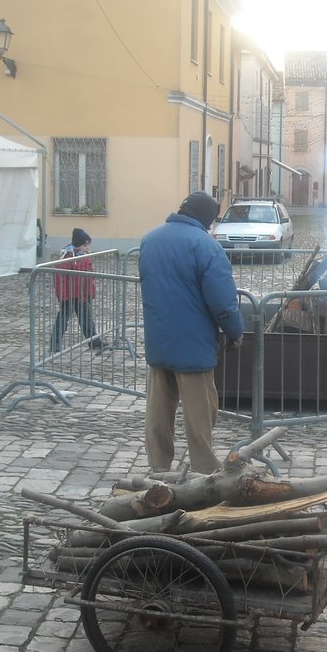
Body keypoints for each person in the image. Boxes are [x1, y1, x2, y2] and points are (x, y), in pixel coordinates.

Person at [138, 191, 243, 474]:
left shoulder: (150, 240)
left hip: (159, 340)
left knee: (158, 410)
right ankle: (205, 470)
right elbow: (223, 302)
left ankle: (158, 468)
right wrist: (235, 331)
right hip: (193, 344)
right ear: (206, 219)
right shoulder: (206, 246)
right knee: (200, 413)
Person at [51, 228, 102, 353]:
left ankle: (94, 341)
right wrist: (62, 295)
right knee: (63, 319)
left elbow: (89, 274)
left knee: (86, 319)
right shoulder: (68, 257)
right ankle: (55, 343)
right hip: (69, 295)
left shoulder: (85, 256)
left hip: (82, 294)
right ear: (80, 244)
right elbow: (60, 277)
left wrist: (90, 291)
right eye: (86, 245)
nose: (88, 247)